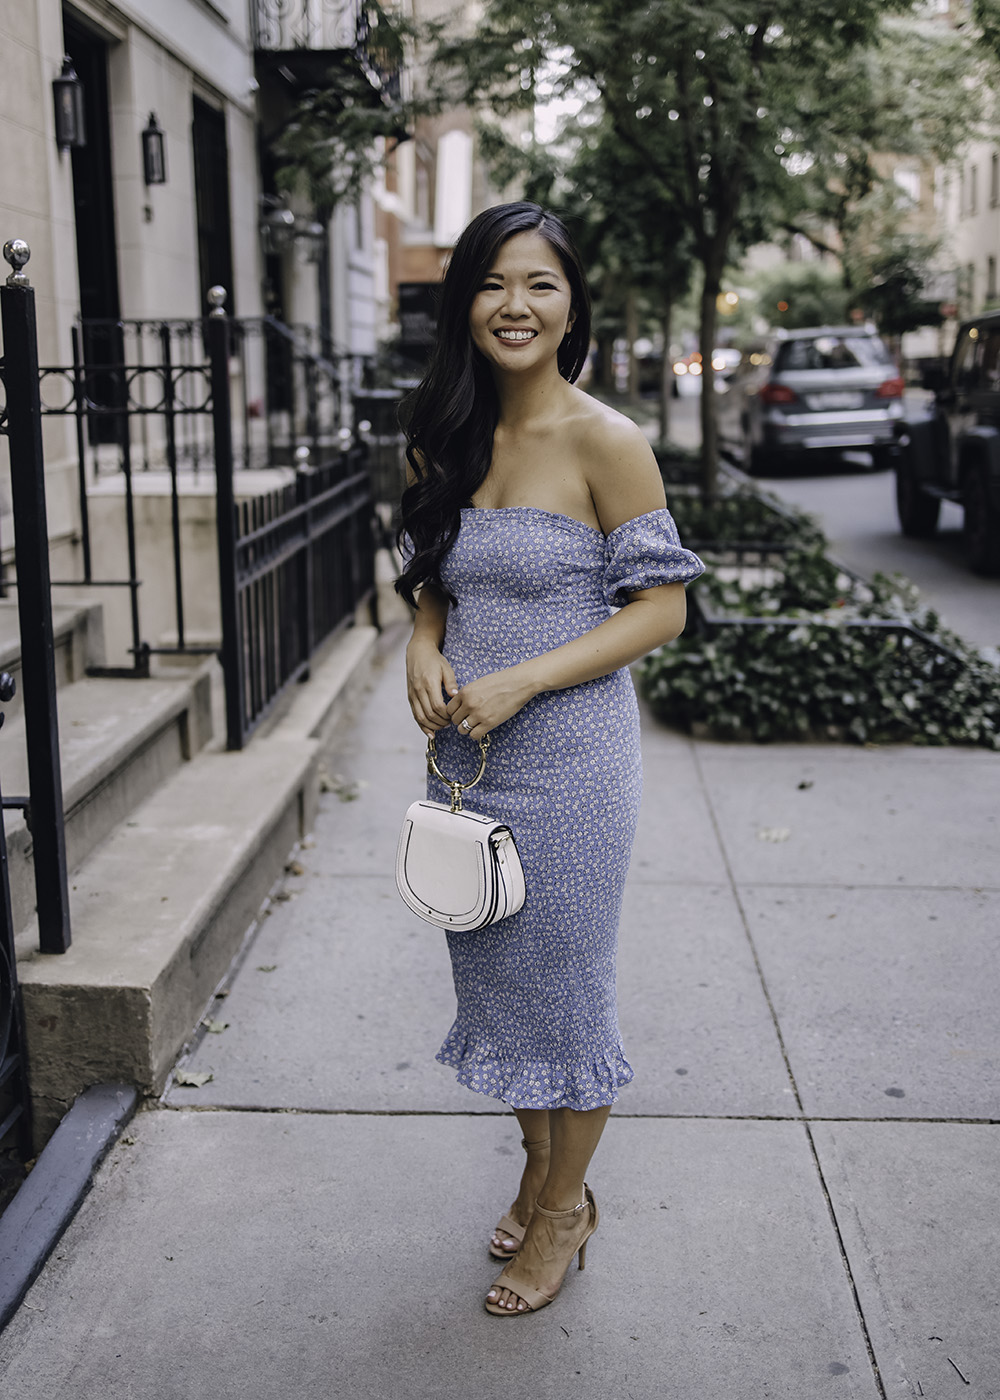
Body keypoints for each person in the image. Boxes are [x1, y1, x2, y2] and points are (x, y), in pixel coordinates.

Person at [396, 201, 704, 1317]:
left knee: (566, 998)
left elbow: (662, 609)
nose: (514, 306)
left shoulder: (604, 439)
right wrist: (424, 643)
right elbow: (436, 573)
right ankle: (540, 1166)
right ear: (464, 303)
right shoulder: (446, 430)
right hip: (467, 766)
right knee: (500, 989)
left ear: (572, 303)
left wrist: (525, 675)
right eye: (492, 283)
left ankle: (565, 1211)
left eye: (539, 284)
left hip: (570, 764)